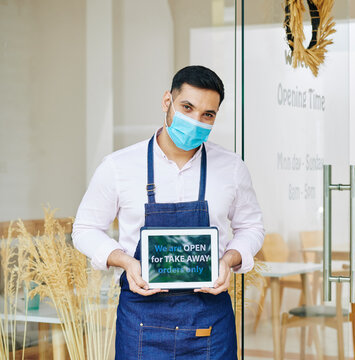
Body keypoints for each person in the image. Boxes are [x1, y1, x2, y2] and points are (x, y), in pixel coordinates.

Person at [72, 65, 264, 359]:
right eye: (187, 107)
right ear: (167, 101)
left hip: (210, 323)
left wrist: (229, 260)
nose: (195, 120)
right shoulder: (119, 166)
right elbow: (84, 229)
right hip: (141, 322)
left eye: (207, 115)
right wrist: (125, 261)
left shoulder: (231, 168)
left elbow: (251, 227)